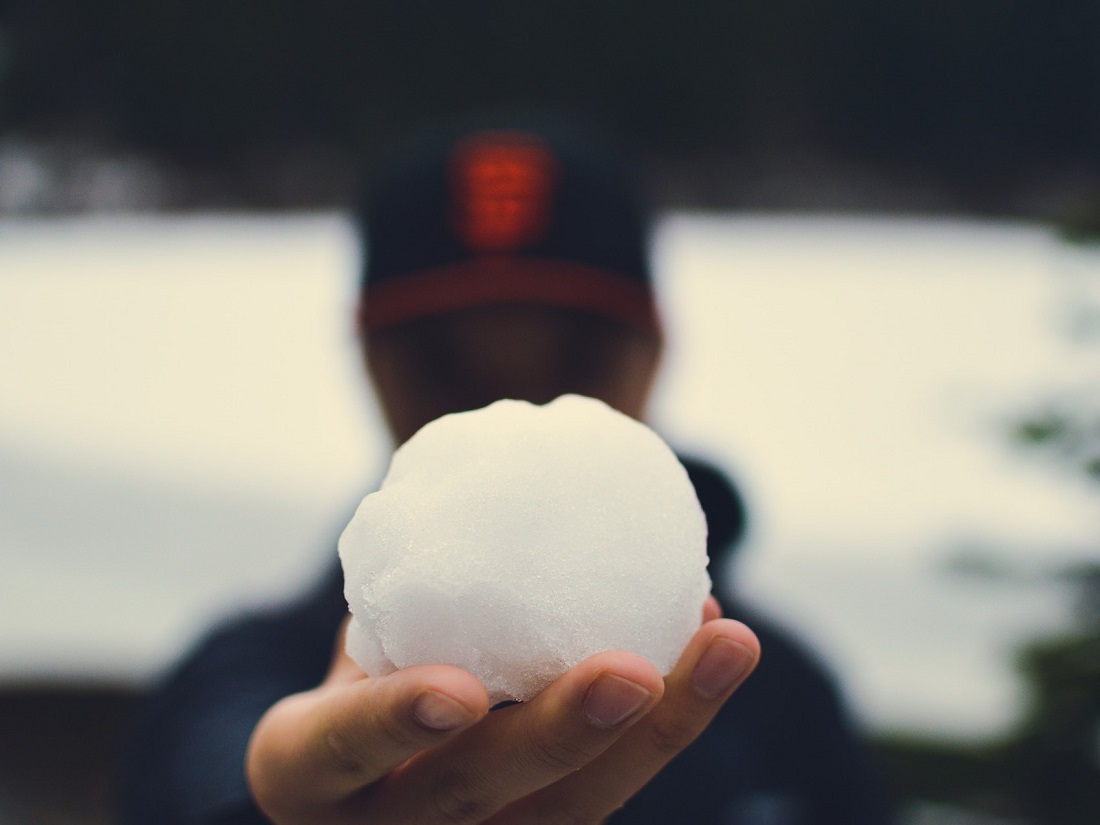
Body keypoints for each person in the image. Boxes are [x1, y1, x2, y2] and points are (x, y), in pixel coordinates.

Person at [121, 119, 893, 824]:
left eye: (574, 355)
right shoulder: (249, 674)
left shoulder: (777, 695)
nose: (509, 402)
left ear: (656, 350)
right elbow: (219, 765)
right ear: (369, 364)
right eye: (442, 360)